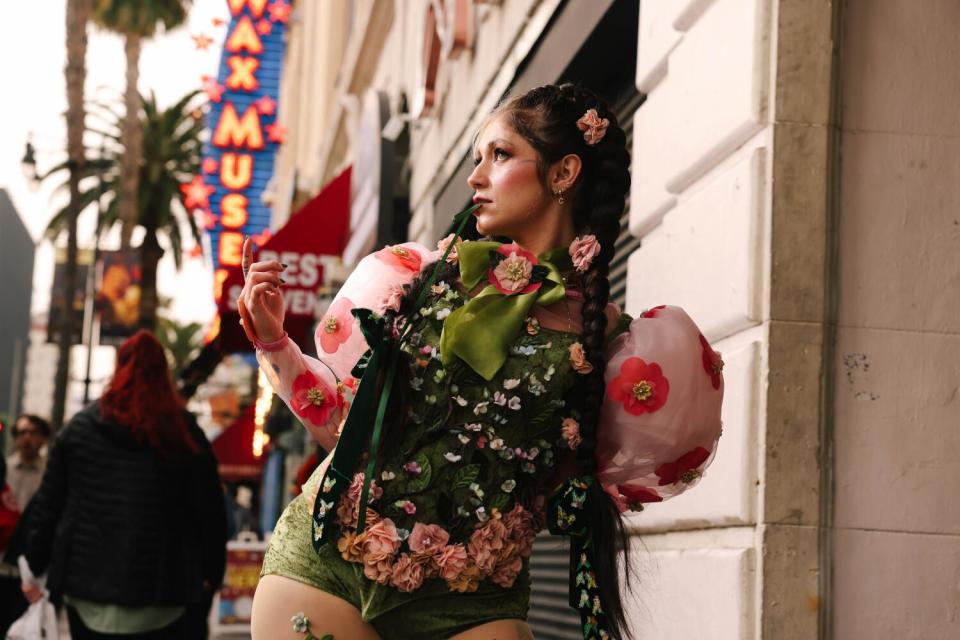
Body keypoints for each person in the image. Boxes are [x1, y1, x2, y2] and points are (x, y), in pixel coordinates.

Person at [239, 84, 724, 640]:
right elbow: (339, 426)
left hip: (473, 605)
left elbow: (584, 487)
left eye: (499, 155)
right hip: (327, 568)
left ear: (564, 172)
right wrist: (275, 340)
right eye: (476, 159)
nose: (475, 178)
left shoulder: (616, 348)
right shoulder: (413, 278)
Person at [18, 330, 228, 639]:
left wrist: (32, 567)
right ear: (162, 373)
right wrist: (212, 572)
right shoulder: (185, 434)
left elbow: (48, 506)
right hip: (165, 591)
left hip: (87, 587)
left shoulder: (79, 431)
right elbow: (210, 514)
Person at [5, 414, 50, 512]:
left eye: (33, 433)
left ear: (44, 439)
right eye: (22, 433)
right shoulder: (5, 468)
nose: (27, 438)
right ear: (15, 438)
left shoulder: (49, 472)